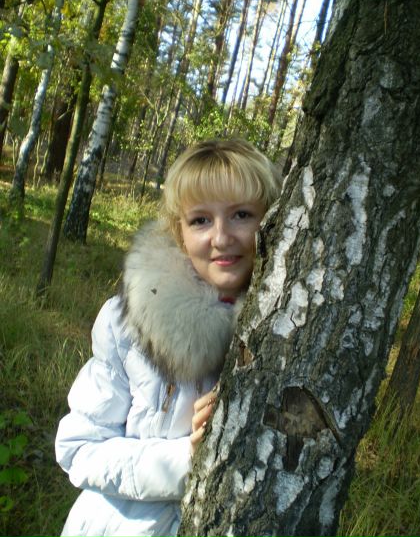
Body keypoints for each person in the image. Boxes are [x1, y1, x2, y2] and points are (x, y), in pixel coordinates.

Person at [55, 138, 281, 537]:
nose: (221, 237)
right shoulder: (130, 321)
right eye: (200, 220)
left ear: (272, 220)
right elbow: (79, 448)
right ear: (180, 232)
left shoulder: (284, 335)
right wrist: (188, 456)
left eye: (242, 215)